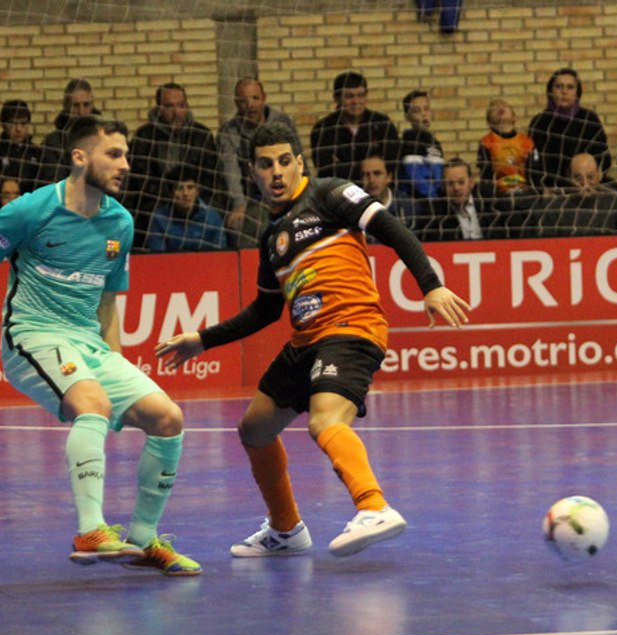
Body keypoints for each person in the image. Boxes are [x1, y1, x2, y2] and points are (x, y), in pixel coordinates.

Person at [155, 123, 471, 559]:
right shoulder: (270, 238)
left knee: (324, 421)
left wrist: (430, 285)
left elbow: (392, 228)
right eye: (266, 165)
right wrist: (203, 339)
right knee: (254, 429)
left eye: (285, 161)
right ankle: (286, 529)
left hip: (352, 329)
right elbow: (265, 311)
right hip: (306, 341)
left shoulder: (331, 194)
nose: (276, 172)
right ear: (253, 172)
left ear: (300, 162)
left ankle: (373, 506)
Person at [0, 116, 200, 577]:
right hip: (32, 335)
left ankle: (143, 540)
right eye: (114, 155)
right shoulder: (31, 210)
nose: (125, 165)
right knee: (93, 404)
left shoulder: (119, 222)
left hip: (89, 343)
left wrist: (117, 362)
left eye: (127, 156)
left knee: (168, 418)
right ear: (80, 157)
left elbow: (106, 301)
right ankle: (90, 529)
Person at [125, 82, 224, 246]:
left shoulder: (201, 135)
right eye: (170, 106)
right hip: (158, 202)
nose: (176, 112)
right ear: (158, 109)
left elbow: (211, 177)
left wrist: (190, 194)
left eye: (180, 105)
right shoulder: (144, 136)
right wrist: (172, 195)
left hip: (195, 200)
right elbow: (141, 180)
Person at [217, 78, 300, 248]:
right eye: (243, 100)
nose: (250, 105)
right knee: (239, 224)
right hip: (251, 200)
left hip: (286, 193)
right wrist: (239, 204)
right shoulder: (228, 132)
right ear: (235, 102)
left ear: (264, 98)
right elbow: (230, 171)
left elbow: (298, 162)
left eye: (255, 98)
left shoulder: (283, 123)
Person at [527, 68, 611, 192]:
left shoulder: (589, 119)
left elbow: (603, 157)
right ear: (550, 91)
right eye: (559, 86)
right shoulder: (539, 122)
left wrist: (591, 181)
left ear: (578, 93)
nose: (564, 91)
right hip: (552, 189)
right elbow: (533, 163)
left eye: (570, 87)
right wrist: (542, 188)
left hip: (587, 186)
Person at [309, 71, 400, 183]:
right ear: (337, 99)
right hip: (338, 190)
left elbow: (391, 164)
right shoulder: (323, 128)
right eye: (349, 96)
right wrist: (370, 166)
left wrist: (345, 165)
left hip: (377, 190)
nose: (356, 102)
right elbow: (326, 170)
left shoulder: (382, 124)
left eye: (360, 95)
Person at [0, 100, 60, 209]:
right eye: (13, 123)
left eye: (23, 123)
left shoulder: (38, 153)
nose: (18, 129)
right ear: (3, 124)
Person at [144, 164, 227, 253]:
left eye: (190, 188)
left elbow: (220, 254)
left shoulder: (212, 217)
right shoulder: (159, 218)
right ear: (171, 193)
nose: (185, 194)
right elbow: (157, 257)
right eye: (180, 188)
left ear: (197, 191)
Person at [418, 158, 498, 242]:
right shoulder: (433, 212)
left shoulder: (491, 201)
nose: (456, 188)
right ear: (443, 186)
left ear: (471, 183)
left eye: (461, 182)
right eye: (450, 183)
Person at [476, 98, 535, 198]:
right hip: (500, 195)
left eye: (505, 105)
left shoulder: (527, 142)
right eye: (494, 107)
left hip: (525, 193)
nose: (500, 107)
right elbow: (486, 176)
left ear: (514, 117)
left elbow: (534, 172)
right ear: (489, 121)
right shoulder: (487, 142)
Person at [43, 79, 101, 180]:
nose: (81, 111)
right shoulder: (54, 142)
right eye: (76, 105)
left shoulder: (105, 137)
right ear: (66, 107)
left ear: (92, 105)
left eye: (86, 105)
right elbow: (54, 180)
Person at [399, 89, 445, 201]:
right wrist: (435, 197)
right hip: (416, 202)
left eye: (426, 109)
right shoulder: (408, 142)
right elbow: (416, 179)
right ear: (407, 117)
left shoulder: (435, 142)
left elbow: (440, 174)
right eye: (417, 111)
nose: (424, 114)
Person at [359, 154, 416, 236]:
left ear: (389, 177)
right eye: (365, 175)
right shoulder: (353, 207)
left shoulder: (408, 206)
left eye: (377, 173)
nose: (371, 180)